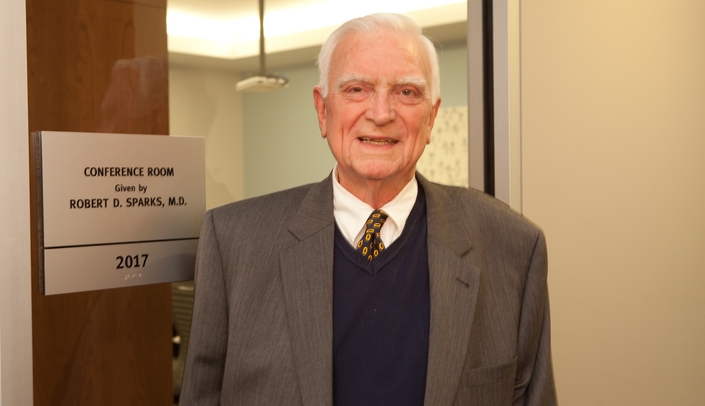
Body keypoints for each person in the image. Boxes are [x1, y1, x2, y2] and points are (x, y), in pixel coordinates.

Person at [179, 13, 557, 406]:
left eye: (407, 92)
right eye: (357, 89)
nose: (381, 114)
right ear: (323, 111)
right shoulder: (234, 243)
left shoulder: (512, 247)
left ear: (431, 117)